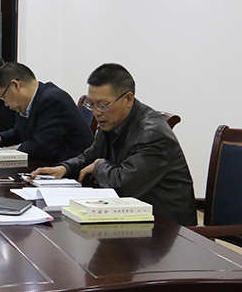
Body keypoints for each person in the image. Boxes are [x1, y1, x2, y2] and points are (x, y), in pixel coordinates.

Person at [30, 64, 197, 226]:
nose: (96, 112)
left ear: (128, 99)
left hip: (166, 228)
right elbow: (90, 156)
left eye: (103, 105)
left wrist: (98, 166)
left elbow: (123, 186)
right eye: (91, 104)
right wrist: (64, 168)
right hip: (129, 216)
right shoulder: (112, 122)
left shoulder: (152, 134)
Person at [0, 62, 94, 163]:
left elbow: (43, 148)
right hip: (48, 166)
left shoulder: (53, 100)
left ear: (16, 85)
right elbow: (18, 132)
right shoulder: (25, 103)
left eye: (4, 97)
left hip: (72, 170)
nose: (6, 104)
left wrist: (12, 149)